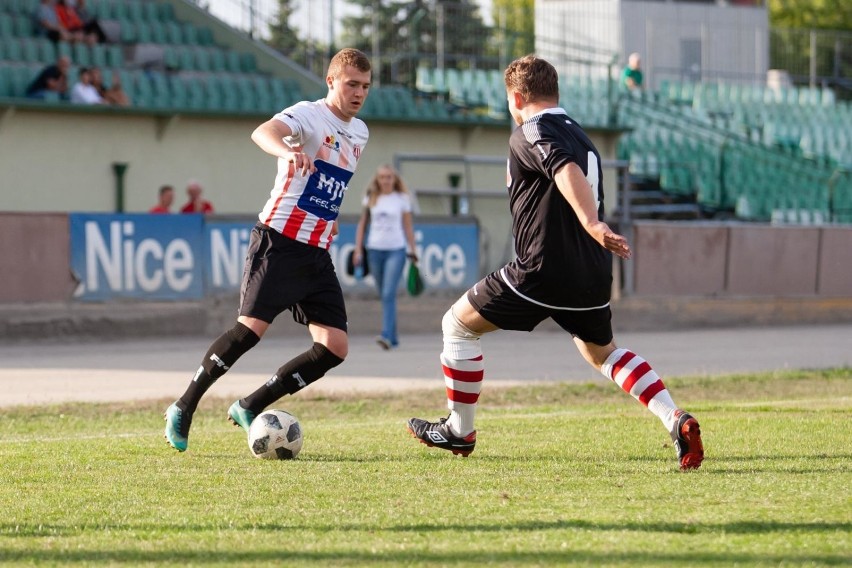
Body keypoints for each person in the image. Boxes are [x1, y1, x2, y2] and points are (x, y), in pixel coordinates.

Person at [407, 55, 704, 471]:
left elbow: (563, 170)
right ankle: (674, 417)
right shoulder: (581, 135)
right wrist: (595, 231)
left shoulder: (530, 130)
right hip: (593, 270)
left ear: (516, 97)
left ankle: (460, 430)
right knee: (603, 354)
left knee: (455, 325)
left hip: (541, 269)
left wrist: (592, 222)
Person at [163, 48, 372, 452]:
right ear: (331, 82)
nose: (359, 92)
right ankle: (183, 406)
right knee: (249, 331)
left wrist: (329, 222)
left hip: (316, 251)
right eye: (351, 84)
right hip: (278, 241)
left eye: (365, 86)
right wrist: (288, 150)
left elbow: (328, 188)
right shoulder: (310, 114)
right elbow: (263, 132)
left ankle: (251, 405)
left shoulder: (360, 131)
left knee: (335, 348)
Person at [353, 165, 418, 350]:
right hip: (374, 250)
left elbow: (408, 226)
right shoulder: (371, 198)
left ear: (394, 179)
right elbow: (362, 225)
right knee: (384, 295)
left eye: (389, 177)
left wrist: (413, 250)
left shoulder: (402, 199)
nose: (385, 180)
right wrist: (358, 249)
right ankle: (394, 337)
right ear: (377, 179)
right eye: (382, 177)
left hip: (396, 250)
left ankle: (386, 335)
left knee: (389, 293)